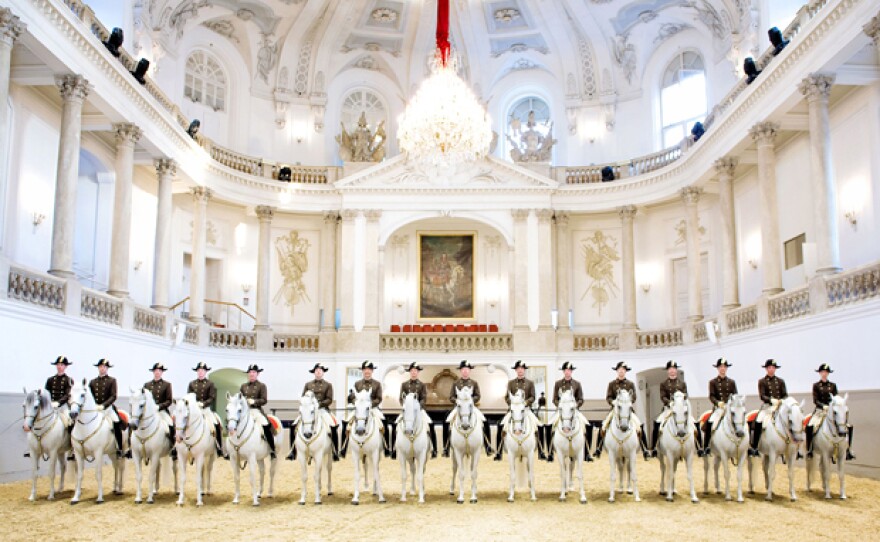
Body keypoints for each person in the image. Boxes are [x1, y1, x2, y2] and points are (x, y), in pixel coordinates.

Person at [595, 361, 650, 460]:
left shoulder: (630, 384)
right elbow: (608, 397)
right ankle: (598, 448)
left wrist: (628, 402)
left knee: (639, 426)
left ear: (625, 371)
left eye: (623, 370)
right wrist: (614, 402)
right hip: (615, 410)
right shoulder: (611, 384)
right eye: (619, 370)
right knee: (604, 425)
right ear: (617, 371)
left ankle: (645, 449)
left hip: (627, 411)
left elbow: (634, 397)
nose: (621, 371)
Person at [288, 363, 338, 461]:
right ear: (314, 372)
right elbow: (303, 397)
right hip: (309, 411)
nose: (318, 371)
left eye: (320, 370)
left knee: (332, 426)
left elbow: (329, 399)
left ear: (323, 372)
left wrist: (319, 404)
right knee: (294, 425)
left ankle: (335, 451)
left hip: (322, 410)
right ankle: (292, 451)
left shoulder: (328, 385)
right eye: (316, 370)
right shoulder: (308, 384)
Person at [806, 363, 855, 460]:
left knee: (848, 426)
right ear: (820, 373)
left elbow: (836, 398)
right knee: (810, 426)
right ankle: (810, 449)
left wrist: (833, 407)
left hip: (832, 411)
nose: (824, 373)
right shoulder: (816, 385)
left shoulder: (833, 385)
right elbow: (815, 400)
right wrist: (823, 406)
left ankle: (848, 450)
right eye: (822, 372)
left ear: (828, 373)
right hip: (820, 410)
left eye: (826, 372)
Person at [495, 360, 537, 461]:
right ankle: (499, 451)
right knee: (501, 426)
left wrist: (526, 403)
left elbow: (533, 397)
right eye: (518, 369)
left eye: (522, 369)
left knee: (537, 425)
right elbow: (506, 397)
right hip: (513, 410)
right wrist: (513, 404)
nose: (520, 371)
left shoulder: (530, 383)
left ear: (524, 370)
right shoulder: (511, 383)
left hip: (526, 410)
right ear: (516, 370)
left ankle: (540, 450)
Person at [650, 361, 692, 457]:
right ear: (668, 371)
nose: (672, 371)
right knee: (657, 424)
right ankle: (654, 448)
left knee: (694, 424)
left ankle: (699, 447)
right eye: (670, 369)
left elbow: (686, 395)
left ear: (676, 371)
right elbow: (662, 396)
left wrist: (680, 402)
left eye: (674, 369)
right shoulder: (663, 384)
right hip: (668, 409)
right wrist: (670, 403)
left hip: (681, 409)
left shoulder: (682, 384)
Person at [346, 361, 387, 457]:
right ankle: (344, 447)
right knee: (347, 423)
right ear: (362, 371)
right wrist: (354, 402)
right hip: (360, 409)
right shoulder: (357, 384)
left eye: (369, 369)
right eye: (365, 369)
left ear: (372, 371)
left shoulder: (377, 384)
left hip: (373, 408)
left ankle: (387, 446)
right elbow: (352, 396)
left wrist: (369, 405)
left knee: (383, 423)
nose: (367, 371)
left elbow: (379, 398)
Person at [749, 359, 787, 457]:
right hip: (767, 407)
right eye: (769, 368)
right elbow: (762, 395)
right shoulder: (762, 381)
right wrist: (771, 400)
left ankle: (791, 445)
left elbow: (785, 395)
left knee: (790, 419)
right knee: (758, 421)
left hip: (779, 406)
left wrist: (781, 401)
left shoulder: (780, 381)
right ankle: (755, 447)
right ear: (766, 369)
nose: (771, 369)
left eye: (773, 368)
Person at [187, 362, 226, 458]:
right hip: (194, 410)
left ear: (205, 372)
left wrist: (203, 404)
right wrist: (194, 404)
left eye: (203, 371)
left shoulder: (210, 384)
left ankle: (219, 447)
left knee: (216, 423)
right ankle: (179, 446)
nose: (201, 372)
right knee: (183, 422)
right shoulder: (192, 384)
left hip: (206, 410)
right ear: (197, 372)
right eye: (199, 370)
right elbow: (189, 396)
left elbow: (212, 397)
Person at [444, 360, 483, 456]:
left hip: (471, 408)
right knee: (448, 422)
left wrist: (470, 401)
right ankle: (446, 447)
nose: (465, 371)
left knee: (483, 421)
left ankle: (487, 445)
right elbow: (451, 396)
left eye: (467, 369)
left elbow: (478, 396)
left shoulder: (474, 383)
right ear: (460, 371)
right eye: (463, 369)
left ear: (469, 371)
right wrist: (456, 401)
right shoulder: (456, 383)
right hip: (459, 407)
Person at [549, 361, 585, 462]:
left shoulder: (577, 384)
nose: (567, 372)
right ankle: (550, 451)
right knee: (550, 426)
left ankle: (586, 451)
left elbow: (581, 399)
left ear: (571, 371)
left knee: (585, 425)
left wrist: (576, 405)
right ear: (563, 371)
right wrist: (559, 405)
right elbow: (554, 399)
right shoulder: (558, 384)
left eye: (569, 370)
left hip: (574, 411)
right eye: (566, 370)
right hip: (561, 411)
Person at [399, 362, 437, 458]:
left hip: (419, 410)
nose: (413, 373)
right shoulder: (404, 385)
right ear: (409, 372)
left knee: (430, 425)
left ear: (418, 372)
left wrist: (417, 407)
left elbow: (424, 398)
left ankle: (434, 449)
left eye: (415, 371)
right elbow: (400, 398)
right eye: (412, 371)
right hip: (407, 411)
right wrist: (406, 406)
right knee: (397, 424)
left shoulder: (422, 385)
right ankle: (395, 449)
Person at [89, 359, 126, 457]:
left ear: (107, 368)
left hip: (108, 408)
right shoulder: (92, 382)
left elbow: (113, 396)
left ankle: (119, 447)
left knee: (117, 422)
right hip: (95, 408)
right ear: (98, 368)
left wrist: (104, 405)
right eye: (101, 366)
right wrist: (94, 406)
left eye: (104, 367)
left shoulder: (112, 380)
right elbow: (90, 396)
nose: (102, 368)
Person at [702, 358, 738, 456]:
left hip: (729, 408)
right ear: (718, 368)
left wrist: (731, 404)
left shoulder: (731, 382)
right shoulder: (713, 382)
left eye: (724, 367)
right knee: (709, 423)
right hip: (719, 408)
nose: (722, 369)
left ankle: (743, 445)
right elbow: (711, 396)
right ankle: (706, 447)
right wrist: (718, 403)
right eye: (721, 367)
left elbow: (735, 396)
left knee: (739, 421)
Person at [239, 364, 275, 459]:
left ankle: (272, 449)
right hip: (245, 412)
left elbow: (264, 400)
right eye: (250, 372)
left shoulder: (262, 386)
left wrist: (254, 402)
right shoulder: (243, 386)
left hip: (256, 411)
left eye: (254, 372)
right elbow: (239, 400)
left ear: (257, 374)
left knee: (266, 425)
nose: (252, 374)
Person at [143, 362, 176, 459]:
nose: (157, 372)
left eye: (159, 371)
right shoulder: (147, 385)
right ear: (153, 372)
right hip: (149, 413)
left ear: (162, 372)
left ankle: (172, 448)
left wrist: (159, 407)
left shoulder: (167, 385)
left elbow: (169, 400)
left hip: (161, 411)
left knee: (170, 425)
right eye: (156, 371)